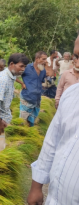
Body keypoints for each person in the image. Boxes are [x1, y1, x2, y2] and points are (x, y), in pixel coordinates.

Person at [27, 36, 79, 205]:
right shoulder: (71, 94)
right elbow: (52, 141)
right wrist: (37, 186)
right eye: (76, 56)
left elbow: (49, 77)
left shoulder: (46, 69)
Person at [16, 51, 47, 127]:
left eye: (46, 59)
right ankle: (22, 133)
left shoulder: (43, 70)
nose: (45, 61)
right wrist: (22, 83)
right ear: (37, 59)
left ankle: (30, 130)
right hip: (27, 97)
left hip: (36, 99)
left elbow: (41, 81)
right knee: (23, 120)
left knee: (32, 119)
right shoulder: (26, 68)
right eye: (43, 59)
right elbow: (14, 75)